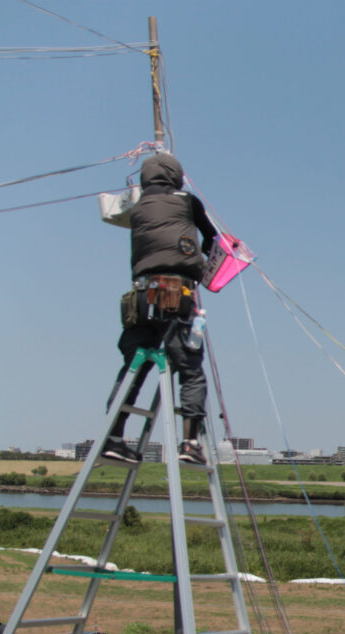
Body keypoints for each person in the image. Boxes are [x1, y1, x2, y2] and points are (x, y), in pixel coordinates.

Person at [103, 152, 216, 466]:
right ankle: (190, 443)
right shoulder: (186, 202)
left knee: (133, 368)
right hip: (174, 294)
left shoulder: (137, 207)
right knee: (190, 370)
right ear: (175, 175)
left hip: (139, 298)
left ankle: (112, 438)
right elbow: (210, 237)